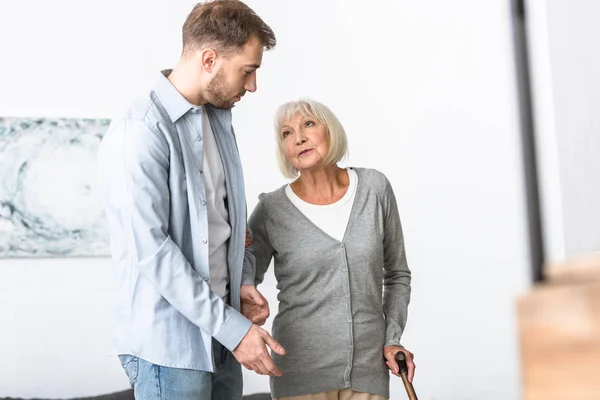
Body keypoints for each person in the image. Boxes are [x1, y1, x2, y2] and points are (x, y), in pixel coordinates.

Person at [97, 1, 284, 399]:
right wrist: (235, 331)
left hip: (223, 330)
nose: (252, 87)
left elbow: (228, 224)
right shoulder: (139, 131)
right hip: (170, 349)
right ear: (210, 58)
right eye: (248, 71)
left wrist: (244, 281)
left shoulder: (217, 120)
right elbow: (153, 252)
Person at [247, 99, 415, 400]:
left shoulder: (374, 189)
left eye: (308, 124)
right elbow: (241, 278)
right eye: (286, 133)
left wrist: (392, 339)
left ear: (331, 130)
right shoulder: (271, 210)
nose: (298, 137)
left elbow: (398, 273)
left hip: (368, 373)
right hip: (299, 377)